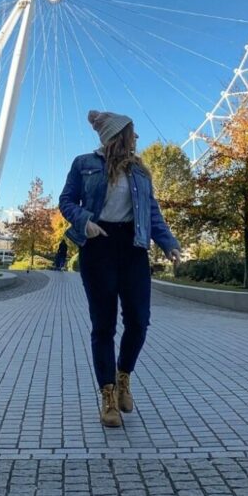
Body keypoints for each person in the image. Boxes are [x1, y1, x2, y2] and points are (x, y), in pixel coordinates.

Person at [59, 110, 181, 428]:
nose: (137, 139)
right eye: (132, 133)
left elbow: (152, 212)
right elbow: (67, 201)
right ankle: (108, 396)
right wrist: (85, 222)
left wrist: (168, 242)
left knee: (139, 322)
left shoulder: (140, 171)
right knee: (104, 327)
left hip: (133, 247)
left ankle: (123, 374)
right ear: (119, 136)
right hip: (98, 245)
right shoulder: (83, 164)